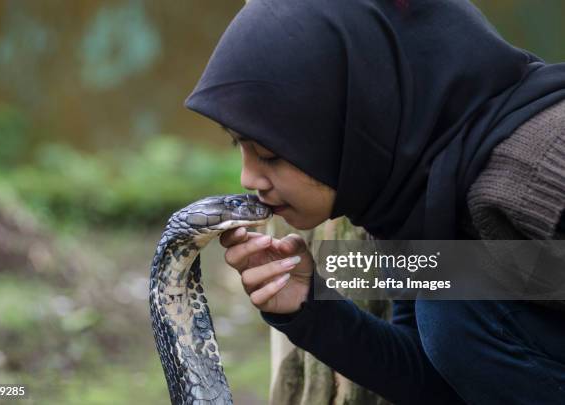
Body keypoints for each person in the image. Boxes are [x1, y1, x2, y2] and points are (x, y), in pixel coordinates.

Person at [184, 0, 565, 403]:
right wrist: (309, 307)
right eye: (238, 145)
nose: (249, 179)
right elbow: (444, 381)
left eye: (270, 154)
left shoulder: (539, 172)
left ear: (354, 114)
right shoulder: (411, 198)